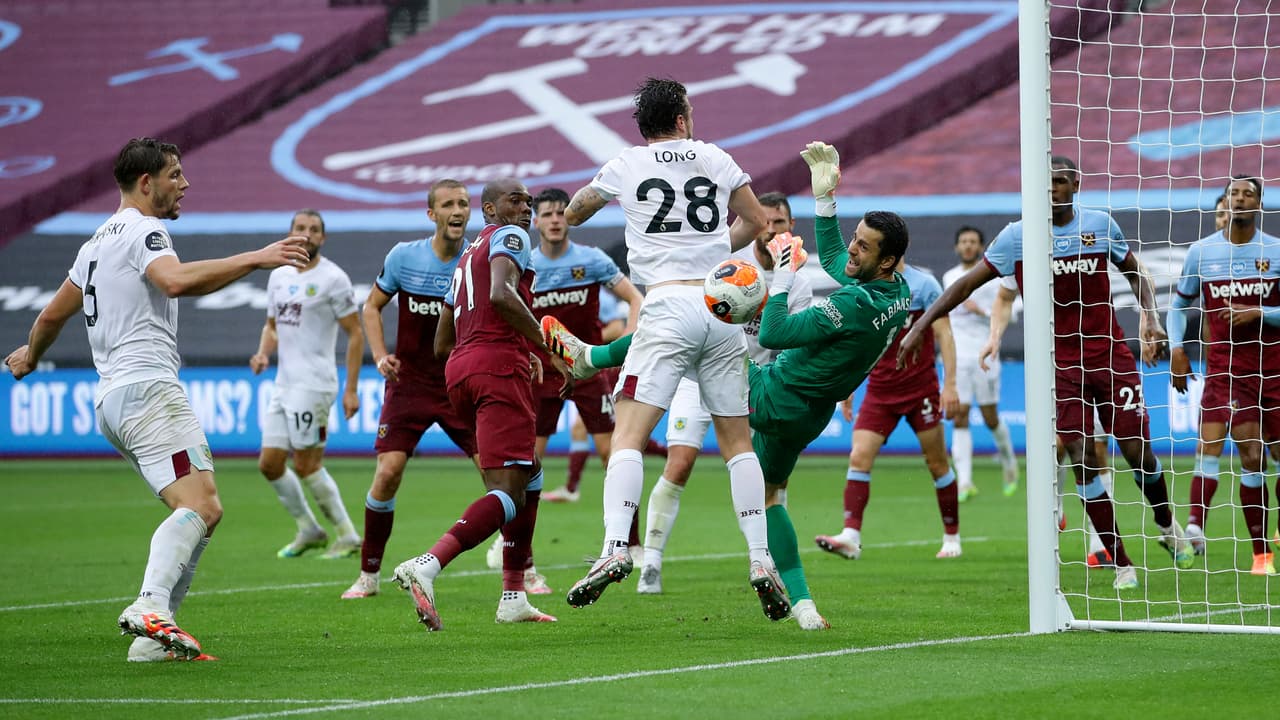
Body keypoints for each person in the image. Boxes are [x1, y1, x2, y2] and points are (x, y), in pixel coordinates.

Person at [547, 144, 914, 629]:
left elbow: (774, 334)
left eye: (864, 247)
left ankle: (590, 358)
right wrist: (826, 202)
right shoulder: (894, 292)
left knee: (686, 326)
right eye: (856, 240)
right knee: (771, 494)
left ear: (887, 262)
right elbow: (836, 259)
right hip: (808, 412)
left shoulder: (852, 306)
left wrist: (780, 281)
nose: (852, 249)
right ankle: (802, 605)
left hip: (774, 391)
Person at [4, 137, 309, 661]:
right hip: (149, 391)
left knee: (199, 511)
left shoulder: (95, 242)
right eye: (174, 174)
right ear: (146, 183)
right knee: (203, 505)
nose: (184, 184)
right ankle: (150, 608)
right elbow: (173, 282)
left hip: (113, 400)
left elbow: (53, 315)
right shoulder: (146, 231)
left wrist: (31, 356)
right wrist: (256, 258)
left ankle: (152, 641)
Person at [897, 155, 1192, 591]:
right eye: (1043, 181)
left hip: (1110, 355)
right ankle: (1122, 563)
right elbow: (965, 286)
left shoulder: (1100, 224)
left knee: (1136, 453)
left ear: (1075, 183)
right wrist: (921, 325)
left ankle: (1167, 524)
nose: (1050, 188)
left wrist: (1149, 318)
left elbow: (1137, 273)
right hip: (1060, 365)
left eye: (1058, 181)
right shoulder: (1017, 236)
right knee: (1081, 458)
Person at [555, 77, 785, 620]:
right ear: (682, 117)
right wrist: (709, 251)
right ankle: (759, 559)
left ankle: (616, 549)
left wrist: (595, 197)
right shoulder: (714, 156)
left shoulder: (627, 163)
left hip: (663, 306)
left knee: (629, 435)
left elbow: (577, 211)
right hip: (719, 306)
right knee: (738, 443)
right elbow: (754, 221)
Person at [391, 178, 573, 630]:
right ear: (490, 209)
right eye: (516, 200)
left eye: (529, 201)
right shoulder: (511, 237)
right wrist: (546, 346)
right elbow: (500, 294)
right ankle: (428, 564)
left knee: (528, 474)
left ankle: (513, 595)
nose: (527, 208)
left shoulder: (465, 257)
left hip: (462, 368)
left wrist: (489, 352)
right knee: (507, 492)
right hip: (496, 368)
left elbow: (441, 341)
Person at [636, 192, 812, 596]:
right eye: (765, 222)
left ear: (791, 228)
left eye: (780, 223)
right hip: (701, 376)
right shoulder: (728, 268)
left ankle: (766, 562)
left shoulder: (798, 284)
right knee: (679, 464)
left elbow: (790, 345)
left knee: (772, 480)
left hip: (756, 385)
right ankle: (652, 563)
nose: (771, 231)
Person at [341, 180, 501, 600]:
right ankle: (368, 574)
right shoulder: (403, 257)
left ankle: (520, 567)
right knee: (388, 472)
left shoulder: (478, 260)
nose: (458, 210)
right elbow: (371, 306)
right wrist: (379, 356)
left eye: (463, 204)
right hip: (408, 384)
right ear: (431, 214)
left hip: (459, 383)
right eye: (448, 204)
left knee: (498, 475)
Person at [815, 256, 962, 561]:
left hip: (921, 389)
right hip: (880, 391)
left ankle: (952, 536)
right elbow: (860, 342)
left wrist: (950, 384)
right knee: (858, 457)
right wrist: (849, 384)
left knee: (937, 464)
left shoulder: (923, 286)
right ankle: (851, 536)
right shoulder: (868, 287)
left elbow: (945, 334)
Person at [1167, 175, 1278, 575]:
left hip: (1276, 369)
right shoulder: (1202, 252)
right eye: (1234, 193)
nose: (1241, 198)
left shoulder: (1275, 252)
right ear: (1226, 202)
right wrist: (1177, 348)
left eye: (1249, 193)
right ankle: (1260, 554)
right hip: (1230, 373)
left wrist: (1259, 313)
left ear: (1259, 204)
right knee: (1250, 456)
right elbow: (1178, 306)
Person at [250, 209, 365, 560]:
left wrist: (351, 388)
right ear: (290, 233)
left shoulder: (333, 279)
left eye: (314, 230)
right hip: (285, 384)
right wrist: (262, 353)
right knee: (269, 464)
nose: (306, 234)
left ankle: (347, 535)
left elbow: (356, 333)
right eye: (300, 228)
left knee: (306, 464)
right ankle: (309, 529)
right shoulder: (279, 276)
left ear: (322, 238)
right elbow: (272, 325)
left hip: (314, 385)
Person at [528, 187, 643, 493]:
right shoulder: (525, 267)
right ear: (535, 222)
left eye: (560, 213)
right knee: (528, 463)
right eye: (547, 214)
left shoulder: (591, 260)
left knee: (614, 455)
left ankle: (630, 542)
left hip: (588, 372)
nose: (555, 220)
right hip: (541, 374)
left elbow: (635, 298)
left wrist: (628, 343)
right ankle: (512, 541)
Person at [942, 225, 1020, 501]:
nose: (967, 246)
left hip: (986, 355)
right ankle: (964, 482)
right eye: (963, 242)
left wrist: (982, 311)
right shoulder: (949, 277)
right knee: (959, 415)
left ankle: (1010, 464)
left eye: (973, 242)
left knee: (990, 417)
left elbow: (1012, 313)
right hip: (958, 356)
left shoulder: (994, 277)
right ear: (956, 247)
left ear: (981, 246)